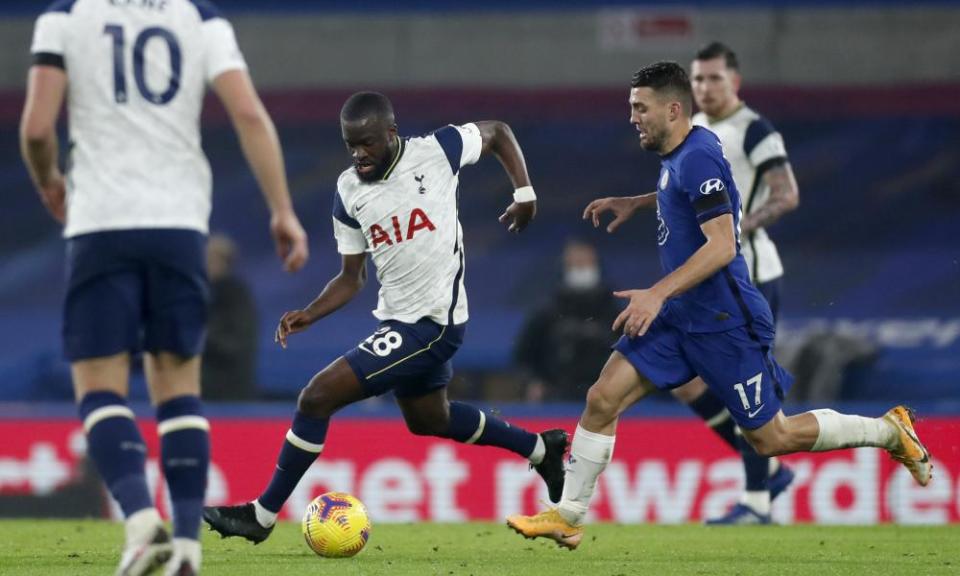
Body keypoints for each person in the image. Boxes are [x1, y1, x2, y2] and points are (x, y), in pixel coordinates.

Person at [505, 61, 931, 550]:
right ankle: (568, 515)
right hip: (681, 317)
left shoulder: (698, 157)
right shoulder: (679, 154)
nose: (632, 118)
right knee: (603, 397)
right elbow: (684, 193)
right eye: (630, 108)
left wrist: (658, 291)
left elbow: (724, 245)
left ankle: (887, 431)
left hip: (725, 323)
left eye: (640, 108)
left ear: (673, 108)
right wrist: (639, 202)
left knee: (772, 439)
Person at [202, 92, 568, 544]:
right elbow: (351, 278)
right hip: (397, 322)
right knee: (429, 419)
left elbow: (497, 132)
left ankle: (261, 515)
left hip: (434, 323)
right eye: (351, 145)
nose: (360, 154)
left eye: (368, 143)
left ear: (391, 133)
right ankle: (539, 448)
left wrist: (525, 192)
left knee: (315, 398)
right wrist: (309, 314)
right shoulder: (347, 190)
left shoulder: (436, 151)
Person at [20, 1, 309, 574]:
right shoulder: (199, 18)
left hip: (101, 222)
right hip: (179, 226)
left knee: (99, 386)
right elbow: (249, 114)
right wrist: (282, 210)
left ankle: (138, 519)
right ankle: (186, 547)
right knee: (178, 390)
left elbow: (35, 127)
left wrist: (49, 178)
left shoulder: (66, 15)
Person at [514, 239, 620, 402]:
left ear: (597, 265)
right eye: (575, 264)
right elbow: (523, 357)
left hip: (606, 397)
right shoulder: (546, 313)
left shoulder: (614, 312)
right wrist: (533, 383)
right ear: (564, 267)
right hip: (557, 395)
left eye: (586, 263)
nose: (581, 269)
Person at [202, 234, 259, 401]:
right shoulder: (199, 292)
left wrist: (197, 335)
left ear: (224, 262)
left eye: (211, 259)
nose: (206, 264)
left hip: (228, 389)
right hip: (199, 388)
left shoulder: (237, 296)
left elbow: (234, 345)